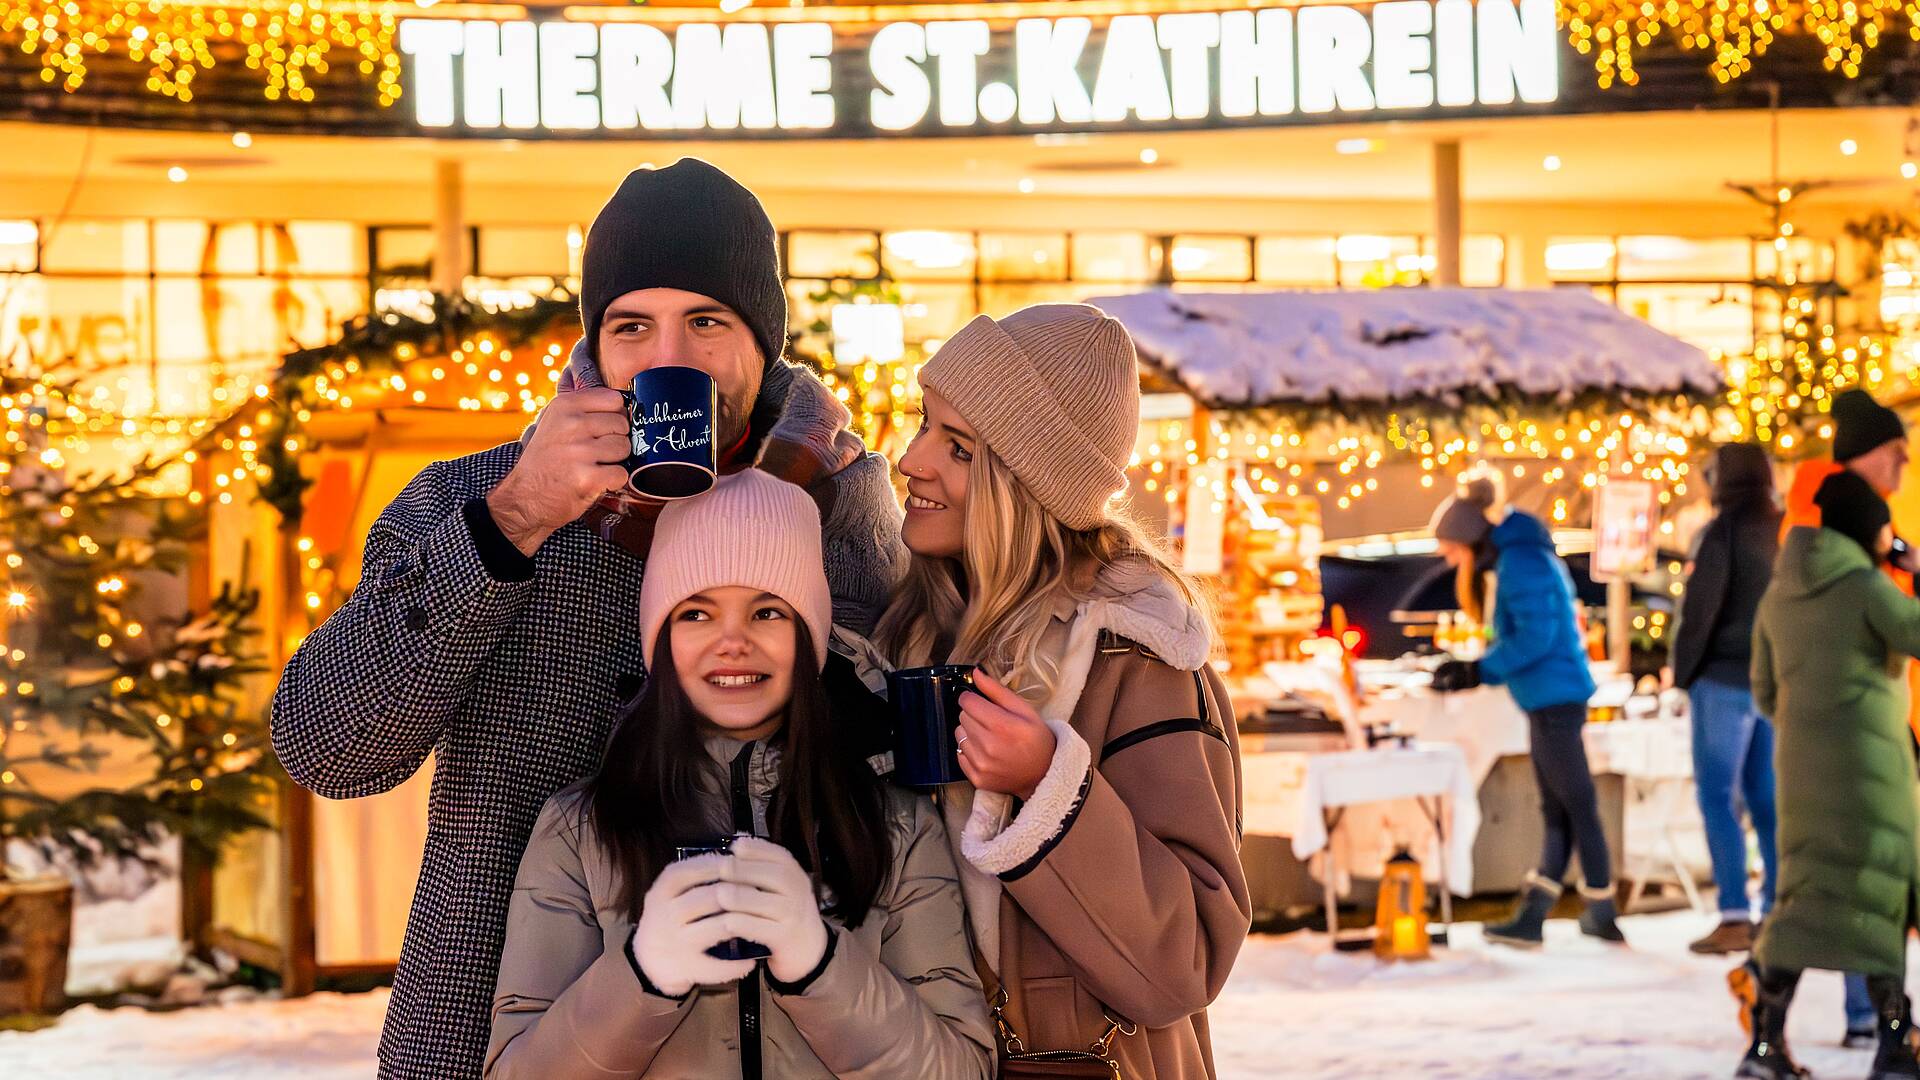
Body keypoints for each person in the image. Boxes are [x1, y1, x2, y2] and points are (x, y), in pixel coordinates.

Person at [270, 160, 906, 1078]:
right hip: (488, 1027)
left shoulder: (845, 507)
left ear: (764, 342)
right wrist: (513, 523)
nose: (666, 360)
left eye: (707, 323)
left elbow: (893, 797)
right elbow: (328, 747)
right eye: (631, 326)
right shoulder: (475, 499)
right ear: (596, 348)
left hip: (772, 1040)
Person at [485, 471, 991, 1079]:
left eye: (768, 612)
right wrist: (643, 976)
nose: (732, 642)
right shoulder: (579, 830)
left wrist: (821, 966)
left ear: (810, 638)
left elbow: (963, 1070)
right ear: (659, 637)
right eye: (696, 613)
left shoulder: (897, 825)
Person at [869, 304, 1250, 1078]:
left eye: (959, 447)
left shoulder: (1135, 658)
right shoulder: (909, 631)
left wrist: (1050, 787)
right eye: (923, 424)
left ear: (1025, 481)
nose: (912, 460)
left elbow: (1186, 962)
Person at [1735, 470, 1920, 1080]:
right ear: (1872, 530)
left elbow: (1763, 695)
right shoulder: (1867, 586)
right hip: (1872, 772)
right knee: (1878, 894)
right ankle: (1895, 1043)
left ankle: (1765, 1042)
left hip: (1801, 773)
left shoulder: (1778, 595)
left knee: (1805, 896)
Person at [1428, 475, 1622, 948]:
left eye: (1452, 549)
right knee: (1559, 808)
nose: (1450, 560)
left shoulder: (1520, 561)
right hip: (1548, 698)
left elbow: (1537, 638)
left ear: (1472, 538)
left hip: (1555, 699)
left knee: (1576, 805)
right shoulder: (1520, 555)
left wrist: (1480, 670)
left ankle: (1602, 912)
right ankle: (1539, 915)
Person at [1776, 387, 1912, 1044]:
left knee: (1839, 881)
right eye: (1897, 454)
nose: (1904, 466)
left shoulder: (1853, 520)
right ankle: (1877, 1024)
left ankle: (1869, 1023)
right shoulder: (1831, 519)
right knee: (1865, 880)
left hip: (1847, 724)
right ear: (1865, 458)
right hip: (1858, 727)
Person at [1669, 444, 1782, 955]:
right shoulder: (1784, 528)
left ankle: (1735, 912)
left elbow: (1700, 611)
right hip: (1772, 681)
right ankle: (1776, 910)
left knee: (1719, 796)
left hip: (1725, 679)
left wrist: (1685, 673)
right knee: (1766, 799)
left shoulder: (1723, 532)